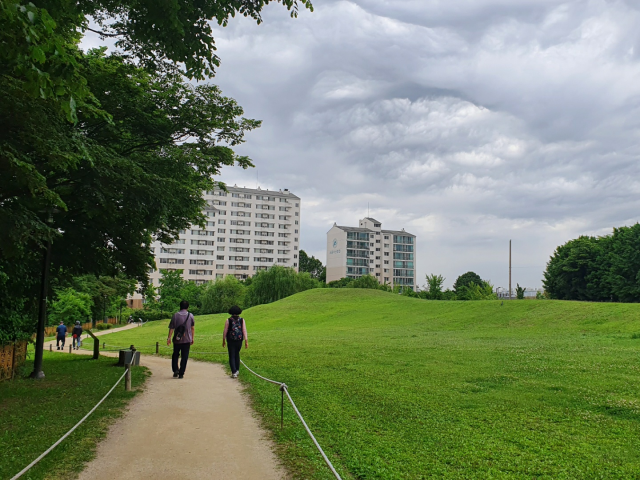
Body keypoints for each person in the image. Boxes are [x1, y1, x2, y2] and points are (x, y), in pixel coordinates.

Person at [167, 300, 195, 379]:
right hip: (187, 339)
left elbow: (171, 328)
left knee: (175, 355)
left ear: (180, 306)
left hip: (177, 339)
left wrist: (169, 338)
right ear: (187, 307)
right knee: (184, 356)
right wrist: (192, 338)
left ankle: (175, 370)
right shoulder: (190, 316)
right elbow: (192, 328)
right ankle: (181, 373)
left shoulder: (175, 315)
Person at [222, 305, 248, 378]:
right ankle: (237, 370)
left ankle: (233, 372)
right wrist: (246, 340)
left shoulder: (228, 320)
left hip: (230, 340)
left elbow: (225, 331)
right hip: (239, 340)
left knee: (231, 355)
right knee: (237, 354)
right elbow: (244, 330)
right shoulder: (242, 320)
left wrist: (223, 340)